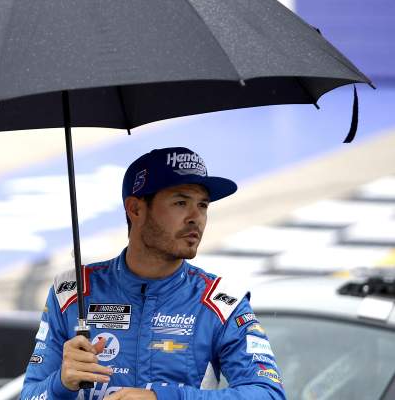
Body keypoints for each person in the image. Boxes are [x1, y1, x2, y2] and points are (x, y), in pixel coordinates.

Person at [20, 147, 286, 400]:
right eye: (181, 203)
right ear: (135, 209)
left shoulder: (221, 304)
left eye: (203, 205)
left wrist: (164, 397)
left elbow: (268, 394)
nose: (196, 217)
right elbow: (30, 395)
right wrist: (60, 384)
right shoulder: (74, 292)